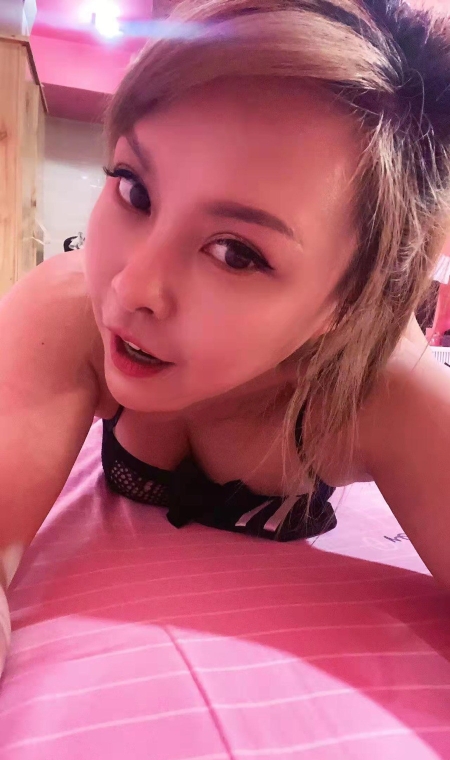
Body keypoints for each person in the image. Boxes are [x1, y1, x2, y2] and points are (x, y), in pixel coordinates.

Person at [1, 0, 450, 671]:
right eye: (135, 189)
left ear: (351, 298)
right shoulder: (67, 308)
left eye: (236, 253)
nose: (131, 287)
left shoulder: (378, 389)